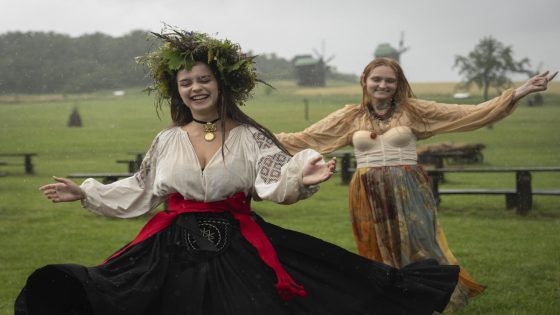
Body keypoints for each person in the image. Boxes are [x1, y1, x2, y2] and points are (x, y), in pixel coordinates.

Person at [14, 30, 460, 315]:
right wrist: (87, 192)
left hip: (239, 244)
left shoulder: (249, 137)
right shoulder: (167, 140)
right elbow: (142, 187)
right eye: (186, 83)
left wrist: (298, 178)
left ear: (221, 84)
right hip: (171, 246)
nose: (195, 88)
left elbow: (272, 177)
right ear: (178, 90)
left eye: (203, 79)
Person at [276, 57, 558, 311]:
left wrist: (520, 91)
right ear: (365, 81)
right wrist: (251, 130)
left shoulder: (414, 110)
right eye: (377, 79)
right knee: (379, 248)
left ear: (398, 84)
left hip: (408, 187)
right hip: (368, 191)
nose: (382, 85)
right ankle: (393, 299)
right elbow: (304, 138)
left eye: (389, 80)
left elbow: (467, 113)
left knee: (419, 245)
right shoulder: (351, 116)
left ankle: (427, 296)